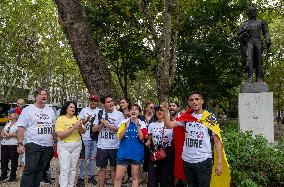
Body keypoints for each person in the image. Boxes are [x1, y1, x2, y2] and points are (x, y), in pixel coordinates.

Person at [161, 92, 231, 187]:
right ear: (189, 103)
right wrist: (165, 112)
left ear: (202, 101)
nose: (194, 102)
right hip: (187, 161)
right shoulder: (186, 117)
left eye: (197, 99)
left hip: (203, 161)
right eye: (191, 100)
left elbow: (217, 141)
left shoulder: (209, 118)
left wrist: (219, 163)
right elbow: (169, 125)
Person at [17, 88, 56, 187]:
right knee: (30, 170)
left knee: (40, 170)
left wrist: (55, 142)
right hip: (33, 144)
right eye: (42, 94)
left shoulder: (50, 110)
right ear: (35, 97)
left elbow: (53, 127)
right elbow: (21, 127)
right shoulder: (28, 109)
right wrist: (20, 144)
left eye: (45, 94)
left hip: (47, 146)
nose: (44, 96)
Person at [92, 95, 124, 187]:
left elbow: (121, 129)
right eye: (108, 102)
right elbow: (94, 129)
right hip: (102, 146)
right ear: (104, 104)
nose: (111, 103)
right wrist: (102, 124)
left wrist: (109, 125)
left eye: (112, 101)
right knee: (102, 169)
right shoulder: (99, 113)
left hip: (115, 146)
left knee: (114, 169)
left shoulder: (119, 114)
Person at [114, 104, 147, 187]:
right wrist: (126, 127)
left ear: (139, 112)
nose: (133, 111)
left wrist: (137, 125)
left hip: (136, 153)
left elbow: (142, 138)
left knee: (135, 177)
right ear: (129, 112)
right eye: (131, 109)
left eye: (136, 109)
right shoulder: (123, 122)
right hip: (123, 153)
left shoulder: (142, 123)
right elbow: (119, 137)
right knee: (118, 177)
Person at [55, 101, 86, 187]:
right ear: (66, 108)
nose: (73, 109)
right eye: (71, 107)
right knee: (65, 169)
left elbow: (83, 131)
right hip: (64, 146)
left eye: (74, 107)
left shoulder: (77, 117)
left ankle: (71, 185)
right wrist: (73, 127)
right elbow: (60, 135)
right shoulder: (60, 119)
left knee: (73, 169)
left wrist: (79, 126)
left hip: (77, 145)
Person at [238, 4, 271, 82]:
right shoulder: (245, 24)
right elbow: (240, 36)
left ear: (256, 12)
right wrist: (244, 33)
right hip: (249, 42)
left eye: (254, 11)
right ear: (249, 13)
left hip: (258, 41)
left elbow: (266, 32)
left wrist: (268, 39)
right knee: (249, 58)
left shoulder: (261, 22)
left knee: (259, 59)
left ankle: (259, 77)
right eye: (251, 11)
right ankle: (250, 77)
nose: (253, 13)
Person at [147, 105, 174, 187]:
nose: (159, 112)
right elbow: (149, 139)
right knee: (152, 175)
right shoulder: (151, 125)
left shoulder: (171, 124)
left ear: (165, 112)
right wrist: (147, 142)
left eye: (161, 110)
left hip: (167, 151)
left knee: (166, 176)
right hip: (155, 151)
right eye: (157, 110)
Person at [77, 95, 100, 186]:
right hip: (85, 137)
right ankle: (81, 178)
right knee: (84, 159)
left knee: (92, 159)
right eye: (91, 100)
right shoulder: (84, 110)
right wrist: (86, 119)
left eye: (95, 100)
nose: (93, 102)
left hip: (95, 138)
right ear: (89, 101)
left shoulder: (99, 111)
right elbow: (79, 123)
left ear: (97, 102)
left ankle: (91, 176)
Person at [0, 108, 21, 182]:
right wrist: (2, 134)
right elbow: (2, 132)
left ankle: (13, 176)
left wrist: (11, 135)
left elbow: (21, 134)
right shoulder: (7, 123)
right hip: (4, 144)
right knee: (4, 161)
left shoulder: (19, 124)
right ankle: (3, 175)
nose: (9, 115)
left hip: (13, 145)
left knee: (14, 161)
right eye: (9, 114)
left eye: (10, 113)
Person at [169, 101, 187, 186]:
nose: (171, 107)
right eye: (170, 106)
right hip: (168, 149)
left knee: (181, 171)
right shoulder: (166, 118)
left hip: (180, 149)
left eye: (174, 106)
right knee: (170, 171)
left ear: (178, 108)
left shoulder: (183, 118)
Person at [118, 97, 132, 183]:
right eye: (121, 103)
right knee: (121, 157)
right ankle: (121, 176)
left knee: (129, 157)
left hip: (130, 137)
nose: (122, 104)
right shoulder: (118, 113)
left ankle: (130, 176)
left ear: (127, 103)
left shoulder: (132, 112)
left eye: (123, 102)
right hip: (120, 137)